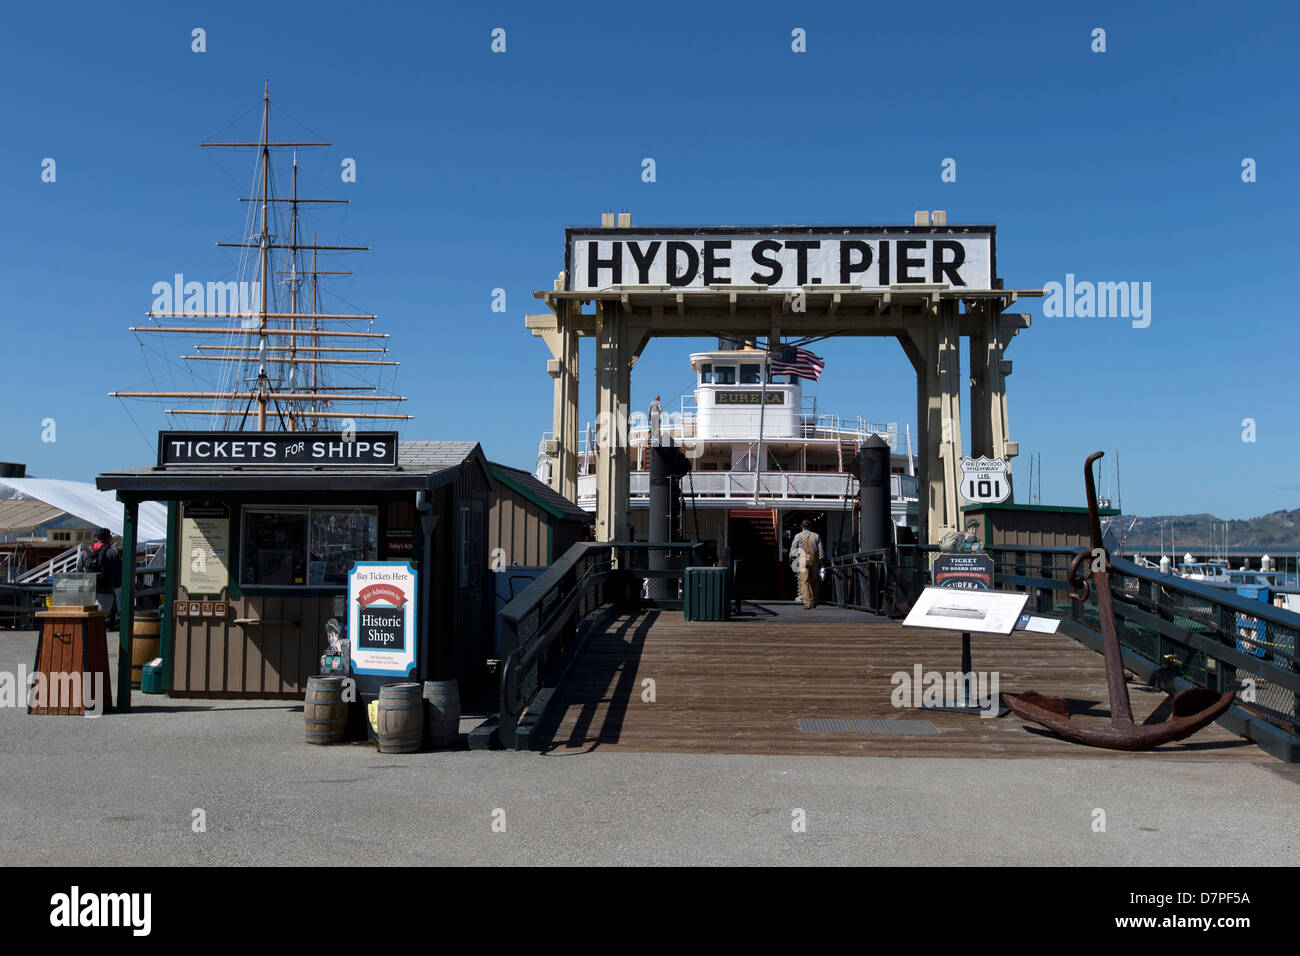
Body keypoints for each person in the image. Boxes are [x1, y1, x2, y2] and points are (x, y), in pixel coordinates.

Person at [78, 527, 123, 630]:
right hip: (106, 590)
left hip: (88, 590)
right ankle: (98, 642)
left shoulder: (85, 552)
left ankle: (87, 640)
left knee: (89, 616)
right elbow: (120, 572)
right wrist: (114, 585)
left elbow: (79, 570)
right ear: (108, 538)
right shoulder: (112, 552)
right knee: (101, 618)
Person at [789, 519, 824, 609]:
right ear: (810, 526)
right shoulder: (816, 536)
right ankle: (814, 602)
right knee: (814, 582)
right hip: (814, 562)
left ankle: (807, 603)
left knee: (804, 582)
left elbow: (793, 551)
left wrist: (792, 560)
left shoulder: (798, 536)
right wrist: (822, 564)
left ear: (801, 526)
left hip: (803, 562)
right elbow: (821, 552)